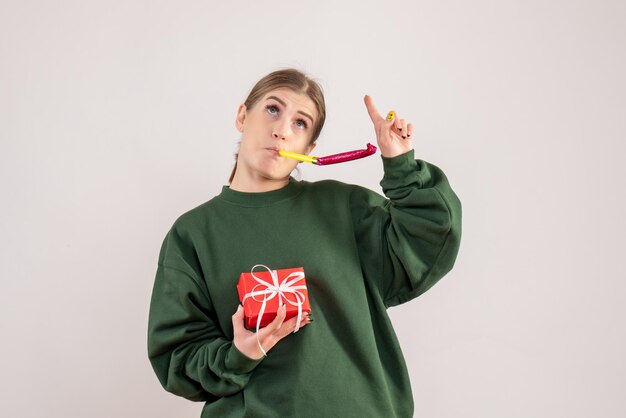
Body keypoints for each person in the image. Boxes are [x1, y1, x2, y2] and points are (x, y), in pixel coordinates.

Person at [147, 68, 462, 417]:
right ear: (241, 116)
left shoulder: (343, 207)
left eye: (300, 123)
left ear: (309, 148)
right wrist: (239, 354)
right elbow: (176, 357)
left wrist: (401, 164)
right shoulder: (192, 234)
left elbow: (433, 235)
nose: (281, 130)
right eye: (272, 109)